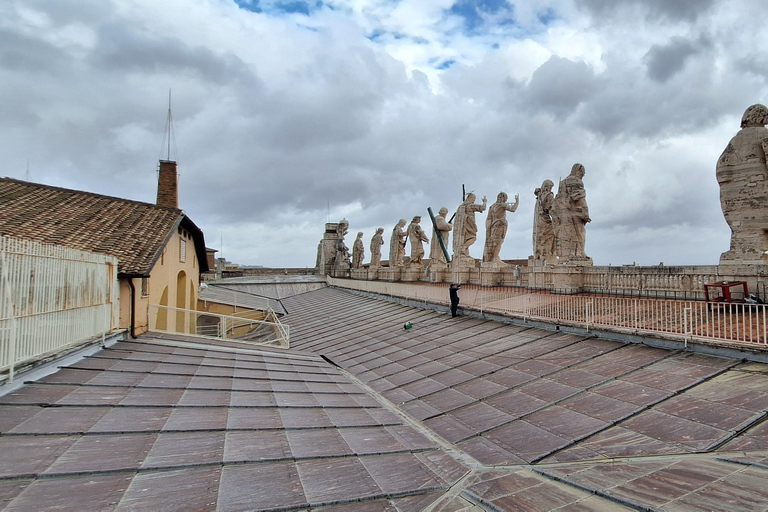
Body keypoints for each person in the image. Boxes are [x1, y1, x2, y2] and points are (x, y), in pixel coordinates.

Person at [483, 192, 519, 263]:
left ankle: (492, 257)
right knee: (498, 241)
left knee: (493, 242)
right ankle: (495, 257)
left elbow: (488, 219)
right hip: (500, 225)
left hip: (492, 227)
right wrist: (517, 202)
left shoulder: (492, 206)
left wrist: (488, 228)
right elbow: (513, 209)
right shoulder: (502, 205)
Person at [453, 193, 487, 262]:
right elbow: (483, 208)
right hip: (468, 225)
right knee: (473, 238)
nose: (474, 200)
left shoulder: (461, 207)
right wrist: (485, 202)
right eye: (473, 199)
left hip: (461, 227)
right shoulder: (470, 206)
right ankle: (463, 248)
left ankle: (464, 252)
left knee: (465, 240)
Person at [533, 180, 555, 259]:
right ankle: (547, 254)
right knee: (551, 233)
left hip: (539, 220)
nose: (550, 189)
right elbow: (550, 208)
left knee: (540, 235)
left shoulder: (539, 196)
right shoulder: (549, 195)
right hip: (545, 219)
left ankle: (540, 254)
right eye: (550, 187)